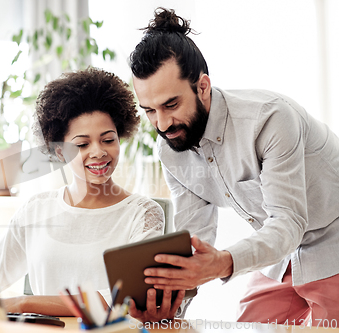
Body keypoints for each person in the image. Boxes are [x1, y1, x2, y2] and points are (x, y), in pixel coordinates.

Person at [128, 7, 339, 324]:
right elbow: (195, 238)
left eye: (171, 104)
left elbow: (289, 222)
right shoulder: (171, 150)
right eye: (150, 110)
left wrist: (222, 263)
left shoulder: (270, 120)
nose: (162, 123)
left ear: (203, 86)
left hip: (332, 243)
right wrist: (172, 303)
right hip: (280, 257)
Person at [0, 67, 173, 317]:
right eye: (82, 144)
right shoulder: (36, 210)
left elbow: (117, 299)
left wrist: (23, 303)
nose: (98, 152)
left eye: (108, 139)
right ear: (60, 152)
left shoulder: (143, 214)